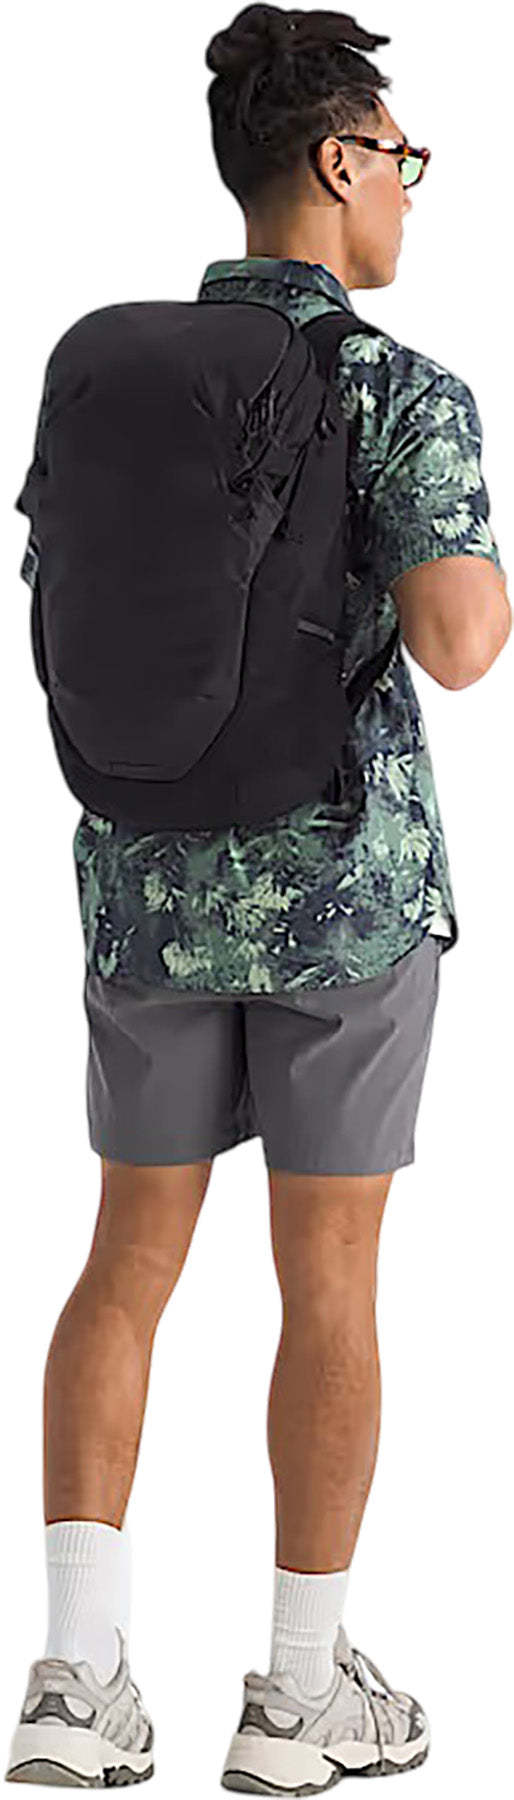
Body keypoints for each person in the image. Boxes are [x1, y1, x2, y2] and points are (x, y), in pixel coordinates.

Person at [6, 4, 511, 1790]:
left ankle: (74, 1682)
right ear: (336, 159)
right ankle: (299, 1697)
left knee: (125, 1263)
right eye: (401, 159)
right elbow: (458, 647)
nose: (409, 193)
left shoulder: (108, 365)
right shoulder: (394, 386)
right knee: (330, 1281)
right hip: (339, 903)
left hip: (145, 882)